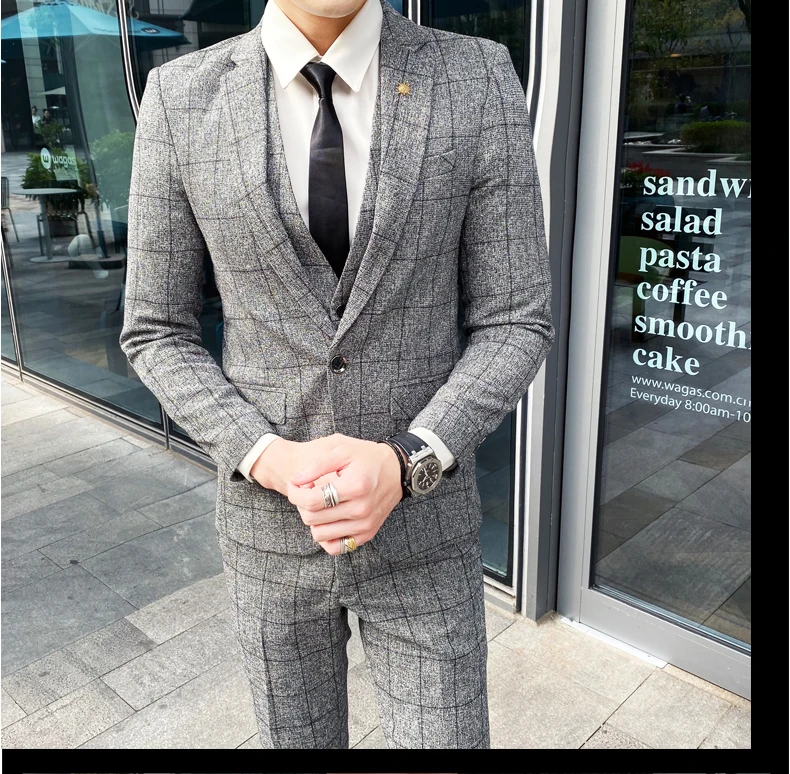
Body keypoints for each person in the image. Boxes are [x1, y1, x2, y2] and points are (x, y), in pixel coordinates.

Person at [120, 0, 553, 749]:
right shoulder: (180, 96)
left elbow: (516, 319)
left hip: (426, 535)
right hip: (268, 535)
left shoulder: (475, 76)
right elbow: (156, 329)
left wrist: (410, 460)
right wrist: (267, 456)